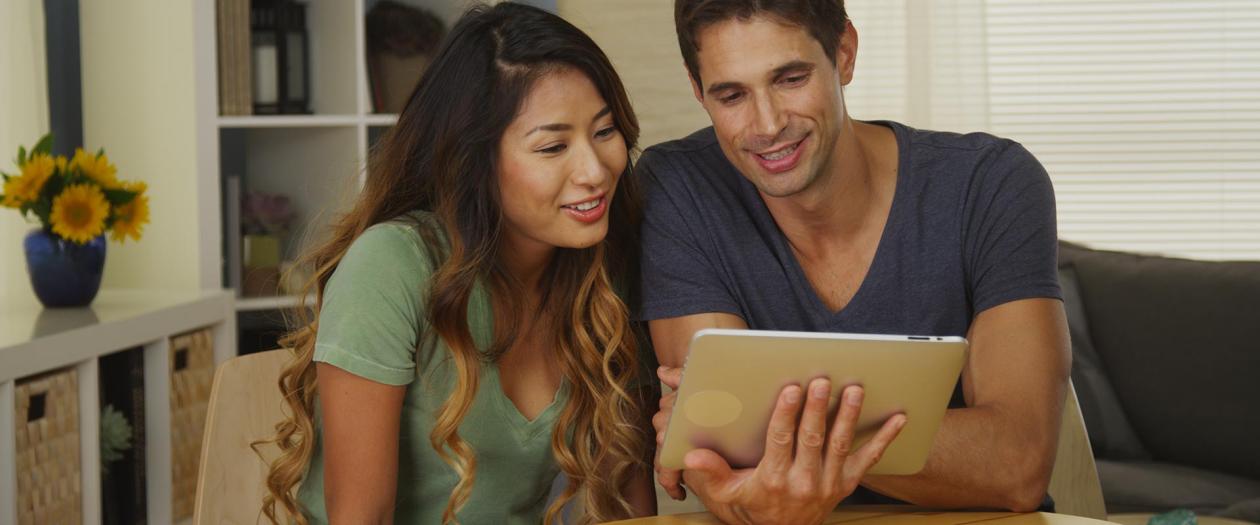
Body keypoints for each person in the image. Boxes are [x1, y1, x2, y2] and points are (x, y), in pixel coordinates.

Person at [638, 0, 1072, 523]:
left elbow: (1016, 463)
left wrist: (763, 419)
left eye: (791, 78)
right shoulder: (677, 189)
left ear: (844, 52)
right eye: (731, 95)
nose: (768, 124)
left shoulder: (991, 184)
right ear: (696, 88)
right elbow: (725, 474)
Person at [257, 3, 658, 524]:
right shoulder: (393, 265)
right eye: (553, 146)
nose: (595, 170)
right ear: (475, 161)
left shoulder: (602, 267)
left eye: (605, 132)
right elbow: (361, 516)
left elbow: (628, 496)